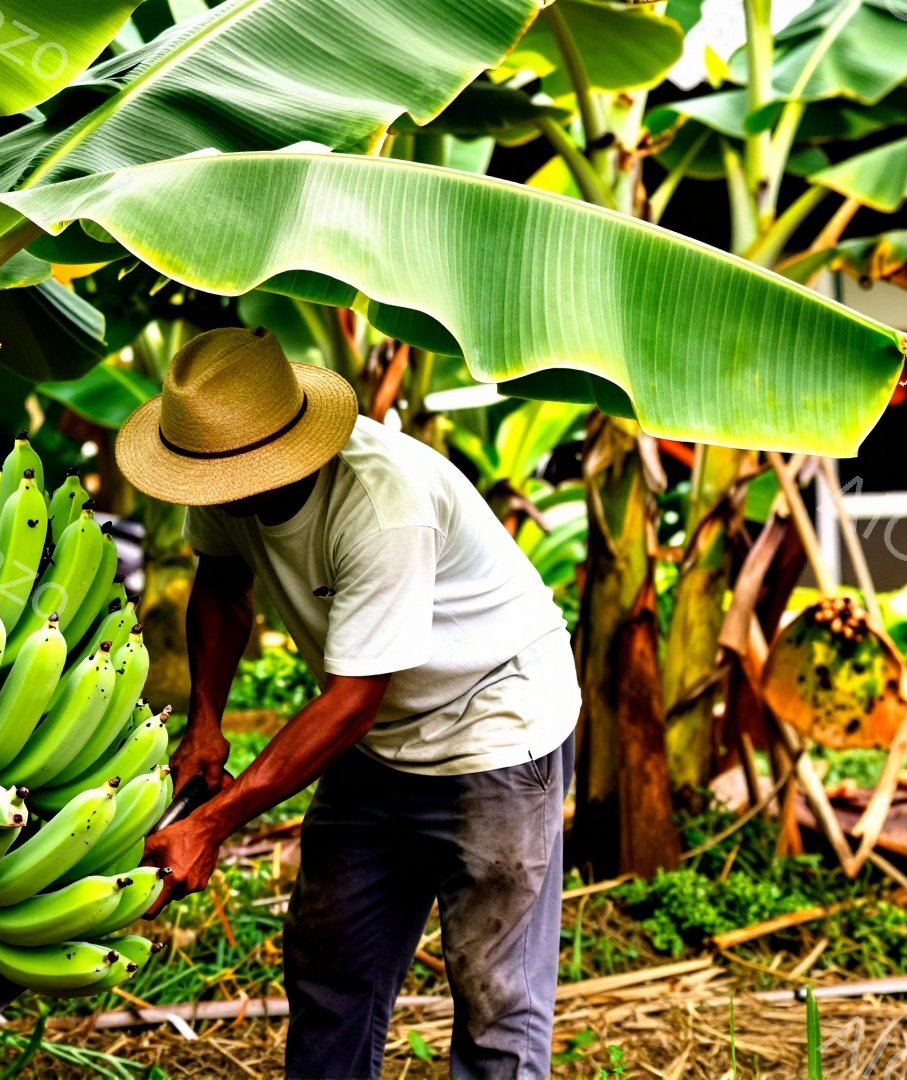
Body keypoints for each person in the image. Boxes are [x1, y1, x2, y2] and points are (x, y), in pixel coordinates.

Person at [115, 327, 578, 1080]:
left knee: (497, 994)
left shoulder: (380, 502)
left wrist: (211, 823)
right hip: (380, 735)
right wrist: (204, 725)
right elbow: (223, 590)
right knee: (331, 957)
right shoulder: (218, 469)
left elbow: (355, 700)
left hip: (494, 720)